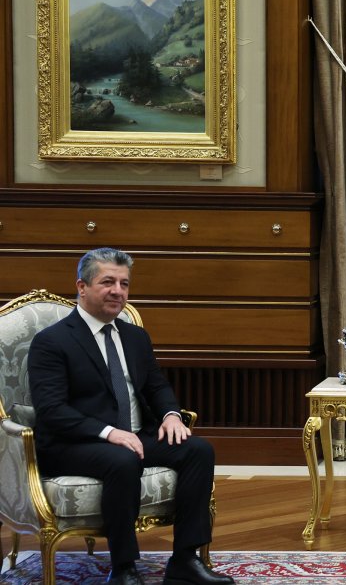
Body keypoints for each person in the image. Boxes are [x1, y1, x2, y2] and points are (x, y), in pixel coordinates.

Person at [29, 248, 234, 585]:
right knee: (122, 459)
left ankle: (185, 559)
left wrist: (170, 415)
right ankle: (123, 568)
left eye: (124, 284)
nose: (118, 291)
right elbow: (52, 411)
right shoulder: (52, 342)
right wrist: (109, 432)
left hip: (135, 436)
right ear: (82, 286)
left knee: (198, 450)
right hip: (74, 443)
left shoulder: (134, 336)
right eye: (107, 282)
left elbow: (157, 385)